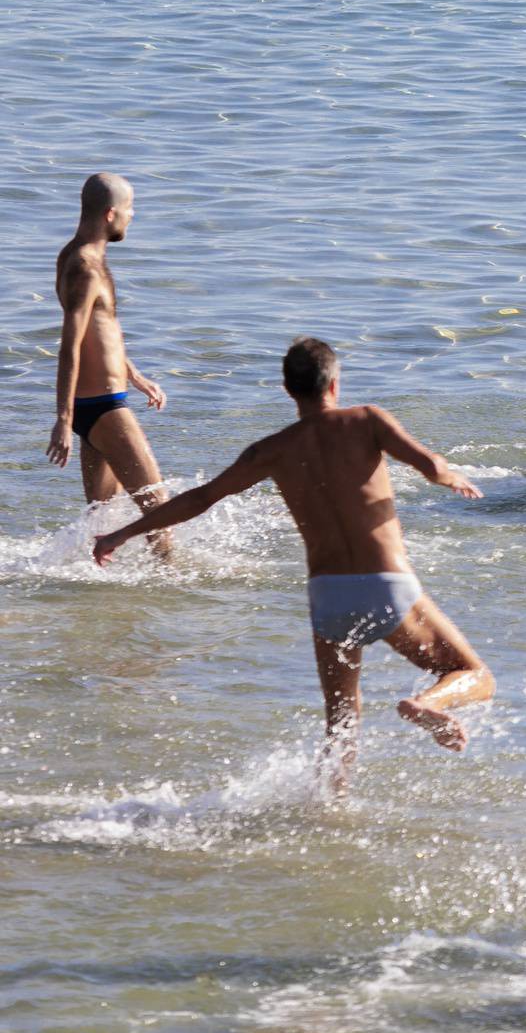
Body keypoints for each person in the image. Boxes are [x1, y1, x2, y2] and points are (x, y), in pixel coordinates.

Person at [92, 338, 493, 795]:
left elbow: (200, 499)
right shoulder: (367, 419)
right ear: (335, 383)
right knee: (474, 675)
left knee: (342, 720)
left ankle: (329, 806)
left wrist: (121, 533)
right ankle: (424, 704)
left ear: (288, 389)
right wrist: (450, 477)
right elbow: (430, 464)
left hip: (328, 598)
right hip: (387, 584)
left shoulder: (270, 449)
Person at [47, 173, 173, 559]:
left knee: (103, 521)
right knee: (159, 512)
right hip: (102, 409)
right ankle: (177, 590)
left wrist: (133, 374)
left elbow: (97, 333)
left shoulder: (75, 255)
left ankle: (102, 608)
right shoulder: (85, 267)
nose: (132, 217)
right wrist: (64, 420)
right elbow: (69, 345)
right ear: (110, 213)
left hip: (97, 407)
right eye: (130, 209)